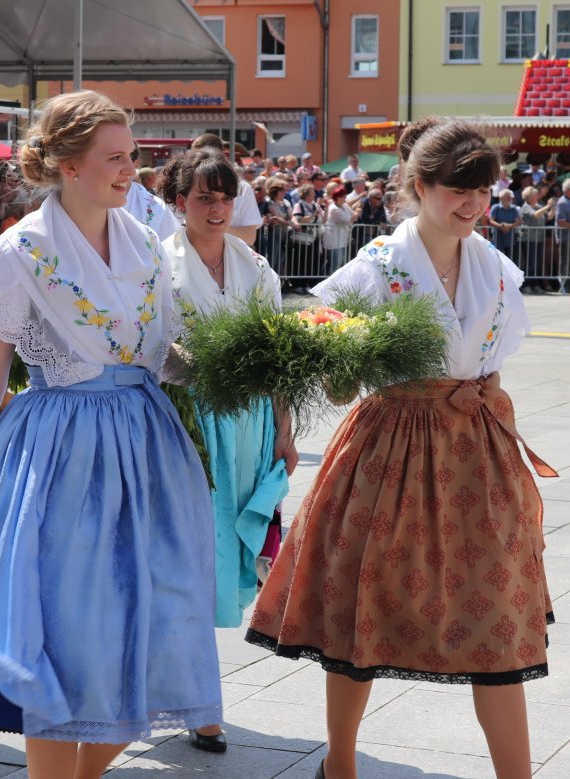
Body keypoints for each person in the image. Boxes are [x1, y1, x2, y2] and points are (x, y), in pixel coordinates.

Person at [0, 89, 222, 779]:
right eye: (114, 158)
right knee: (55, 645)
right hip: (60, 459)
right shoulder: (19, 254)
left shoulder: (146, 243)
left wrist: (234, 363)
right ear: (67, 165)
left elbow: (162, 356)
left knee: (153, 635)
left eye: (131, 156)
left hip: (148, 454)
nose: (129, 170)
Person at [246, 118, 557, 779]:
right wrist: (342, 353)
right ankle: (341, 763)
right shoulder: (377, 265)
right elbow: (333, 385)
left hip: (477, 450)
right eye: (456, 190)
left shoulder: (496, 266)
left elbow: (493, 362)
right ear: (420, 186)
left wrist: (485, 387)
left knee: (499, 619)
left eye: (481, 189)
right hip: (391, 444)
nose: (471, 204)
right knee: (362, 613)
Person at [158, 146, 296, 754]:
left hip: (249, 426)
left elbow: (276, 361)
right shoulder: (155, 265)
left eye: (225, 196)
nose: (217, 209)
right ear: (178, 201)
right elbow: (147, 351)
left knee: (222, 559)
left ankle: (185, 691)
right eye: (203, 197)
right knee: (190, 558)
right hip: (186, 423)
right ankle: (199, 699)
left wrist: (286, 432)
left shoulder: (256, 268)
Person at [191, 133, 262, 245]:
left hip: (230, 258)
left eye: (228, 198)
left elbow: (250, 237)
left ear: (219, 154)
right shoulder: (185, 185)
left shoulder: (242, 188)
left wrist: (213, 226)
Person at [519, 185, 555, 293]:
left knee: (537, 263)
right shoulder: (526, 207)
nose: (537, 196)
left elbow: (549, 217)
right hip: (529, 239)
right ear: (529, 196)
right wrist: (547, 206)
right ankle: (527, 285)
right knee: (530, 263)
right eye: (535, 194)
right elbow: (535, 215)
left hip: (539, 239)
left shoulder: (538, 206)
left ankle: (535, 284)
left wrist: (552, 207)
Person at [322, 185, 359, 274]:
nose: (345, 197)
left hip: (341, 240)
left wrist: (354, 215)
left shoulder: (344, 205)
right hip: (334, 241)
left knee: (338, 263)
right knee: (335, 263)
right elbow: (347, 220)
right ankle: (329, 284)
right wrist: (357, 212)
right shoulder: (333, 209)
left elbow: (354, 216)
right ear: (338, 197)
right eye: (343, 196)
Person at [488, 188, 522, 258]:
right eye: (508, 196)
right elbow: (491, 220)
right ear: (501, 197)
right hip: (498, 238)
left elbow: (518, 222)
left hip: (510, 239)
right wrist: (501, 226)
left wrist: (509, 226)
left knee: (510, 259)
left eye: (510, 196)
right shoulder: (495, 207)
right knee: (497, 257)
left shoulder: (513, 208)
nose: (510, 198)